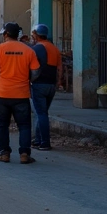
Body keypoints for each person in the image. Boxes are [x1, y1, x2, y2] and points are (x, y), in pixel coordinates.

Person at [0, 22, 42, 164]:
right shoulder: (29, 50)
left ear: (6, 34)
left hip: (3, 93)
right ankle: (24, 154)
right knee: (24, 125)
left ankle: (4, 153)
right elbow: (36, 71)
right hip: (21, 94)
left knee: (2, 125)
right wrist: (27, 79)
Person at [29, 23, 61, 151]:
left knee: (41, 114)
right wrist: (58, 83)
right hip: (51, 85)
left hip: (39, 84)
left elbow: (34, 68)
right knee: (41, 113)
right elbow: (59, 68)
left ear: (36, 35)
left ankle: (44, 142)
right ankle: (37, 140)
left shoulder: (38, 48)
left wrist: (30, 80)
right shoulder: (54, 48)